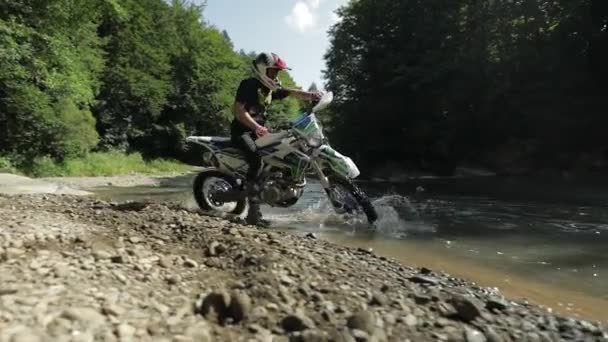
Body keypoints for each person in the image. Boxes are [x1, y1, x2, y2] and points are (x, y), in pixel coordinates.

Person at [231, 52, 320, 227]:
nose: (276, 76)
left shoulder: (269, 89)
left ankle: (275, 188)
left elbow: (291, 92)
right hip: (242, 133)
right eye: (274, 72)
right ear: (263, 69)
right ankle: (253, 215)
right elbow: (239, 111)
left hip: (259, 133)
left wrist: (311, 95)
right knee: (256, 161)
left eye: (278, 72)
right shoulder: (248, 85)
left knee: (282, 152)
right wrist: (256, 127)